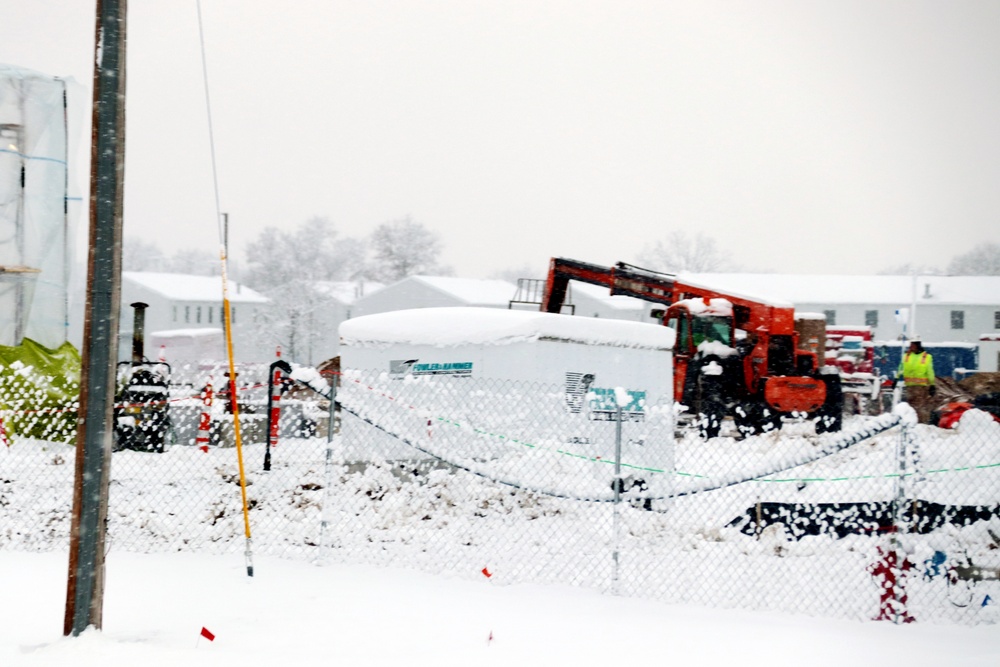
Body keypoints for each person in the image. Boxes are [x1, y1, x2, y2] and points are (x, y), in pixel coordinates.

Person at [896, 339, 936, 424]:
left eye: (912, 345)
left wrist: (932, 384)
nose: (910, 347)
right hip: (909, 387)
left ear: (917, 345)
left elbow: (930, 371)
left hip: (921, 387)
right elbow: (901, 367)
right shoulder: (906, 356)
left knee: (921, 408)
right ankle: (911, 424)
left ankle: (922, 424)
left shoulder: (926, 357)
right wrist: (896, 378)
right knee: (910, 408)